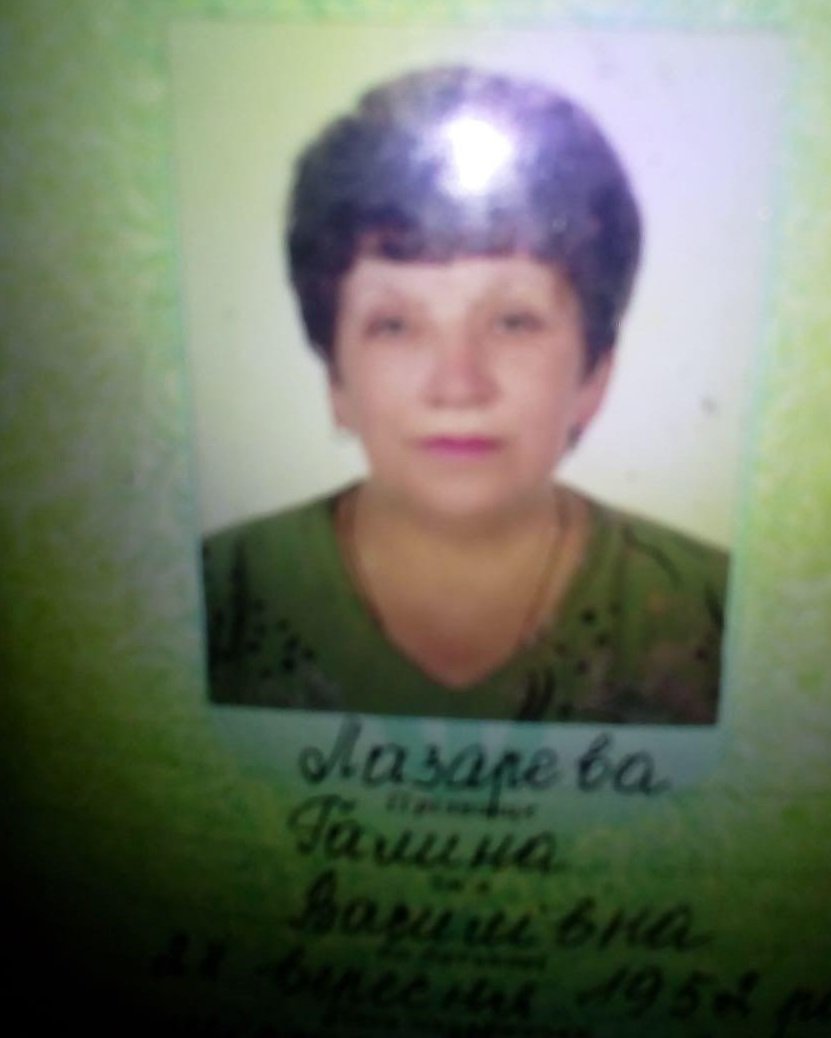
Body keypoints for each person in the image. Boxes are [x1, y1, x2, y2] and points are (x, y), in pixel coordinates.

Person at [201, 65, 728, 723]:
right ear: (336, 379)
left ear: (593, 376)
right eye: (395, 325)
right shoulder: (210, 598)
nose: (457, 387)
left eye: (513, 322)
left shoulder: (722, 616)